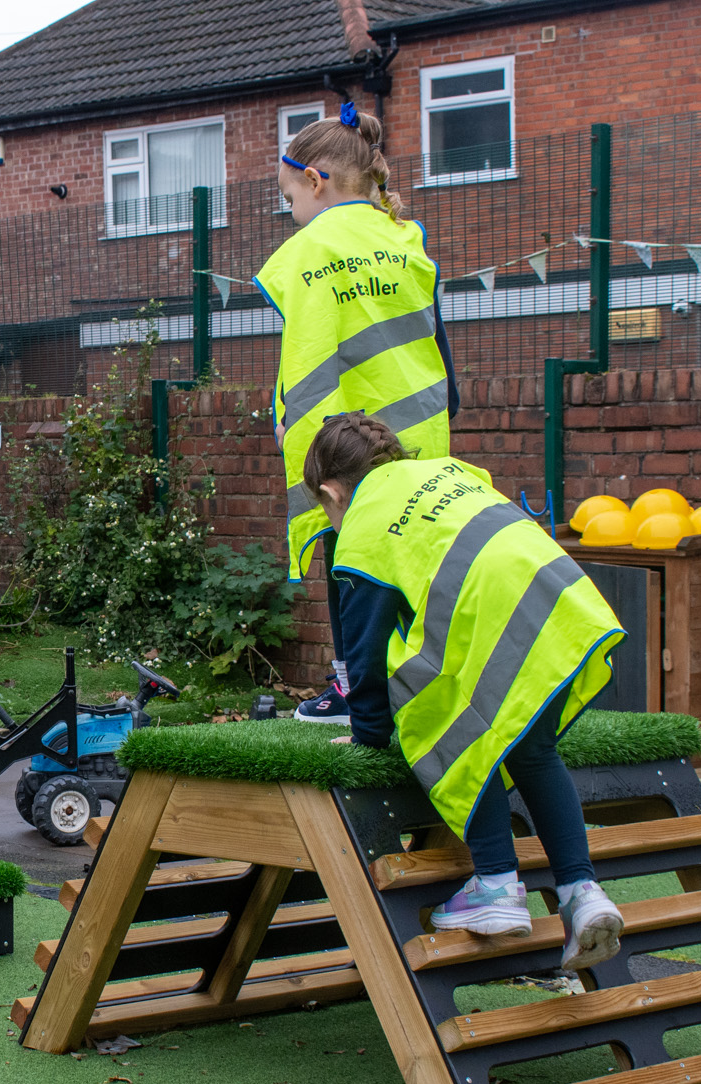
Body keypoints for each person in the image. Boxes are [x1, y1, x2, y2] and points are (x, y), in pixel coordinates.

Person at [305, 412, 628, 971]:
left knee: (443, 715)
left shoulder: (362, 526)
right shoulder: (449, 471)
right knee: (534, 751)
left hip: (493, 616)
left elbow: (364, 652)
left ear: (332, 491)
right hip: (560, 608)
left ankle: (498, 887)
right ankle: (582, 894)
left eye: (326, 509)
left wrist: (370, 736)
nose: (332, 520)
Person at [253, 101, 458, 726]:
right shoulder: (406, 237)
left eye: (290, 197)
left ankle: (351, 689)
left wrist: (294, 418)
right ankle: (411, 683)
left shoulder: (311, 247)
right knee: (411, 560)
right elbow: (435, 337)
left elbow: (311, 344)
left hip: (350, 437)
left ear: (315, 182)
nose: (292, 213)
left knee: (350, 559)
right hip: (421, 429)